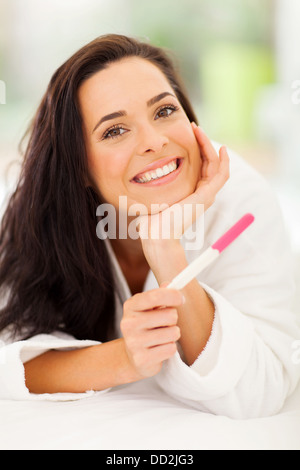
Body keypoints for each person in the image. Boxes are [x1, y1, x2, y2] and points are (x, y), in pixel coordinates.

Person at [0, 34, 299, 418]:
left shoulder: (241, 203)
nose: (155, 142)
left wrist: (165, 250)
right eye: (115, 130)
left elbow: (262, 387)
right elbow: (9, 360)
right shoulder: (34, 214)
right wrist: (124, 358)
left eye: (164, 111)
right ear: (79, 168)